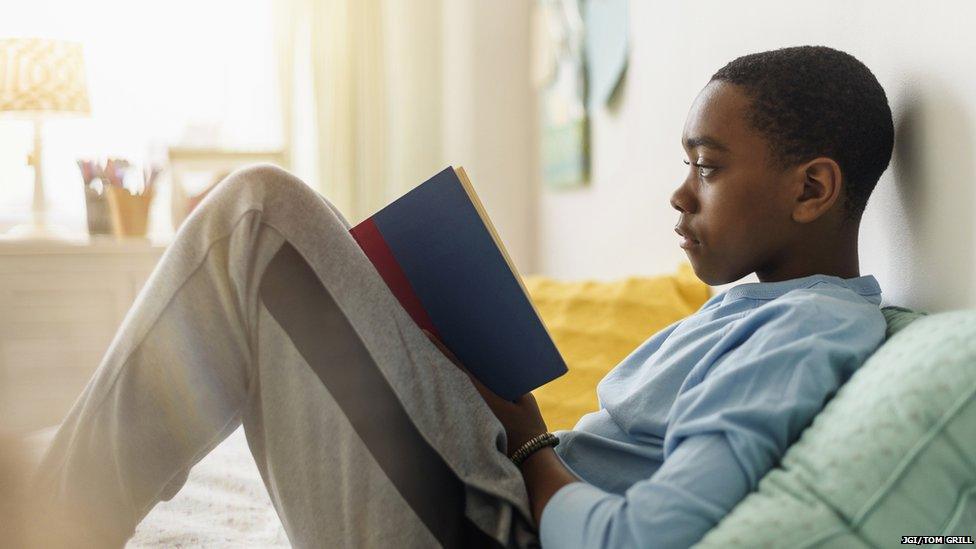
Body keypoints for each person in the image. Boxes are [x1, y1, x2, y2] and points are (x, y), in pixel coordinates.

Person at [31, 44, 894, 548]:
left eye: (706, 168)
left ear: (812, 188)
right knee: (293, 232)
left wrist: (528, 445)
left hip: (495, 526)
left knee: (260, 213)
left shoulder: (806, 332)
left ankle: (45, 523)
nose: (680, 195)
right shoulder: (755, 309)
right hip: (491, 484)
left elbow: (642, 540)